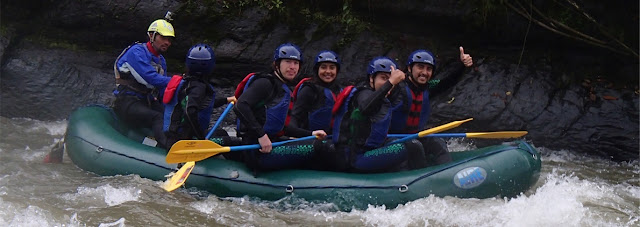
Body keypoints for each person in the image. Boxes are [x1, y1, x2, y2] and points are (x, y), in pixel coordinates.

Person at [233, 43, 327, 171]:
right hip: (257, 150)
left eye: (296, 63)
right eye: (288, 62)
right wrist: (261, 135)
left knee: (320, 142)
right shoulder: (265, 83)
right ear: (277, 64)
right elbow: (240, 106)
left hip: (272, 143)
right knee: (316, 146)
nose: (292, 67)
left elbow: (281, 128)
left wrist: (310, 133)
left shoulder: (282, 88)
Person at [331, 57, 424, 173]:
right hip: (354, 159)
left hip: (370, 151)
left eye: (390, 79)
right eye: (383, 78)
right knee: (408, 147)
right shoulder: (363, 94)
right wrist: (391, 82)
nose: (388, 83)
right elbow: (365, 107)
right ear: (371, 79)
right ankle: (422, 179)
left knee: (407, 141)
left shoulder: (383, 100)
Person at [388, 47, 473, 168]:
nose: (424, 72)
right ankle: (421, 179)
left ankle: (449, 175)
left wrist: (462, 65)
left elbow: (448, 81)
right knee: (415, 146)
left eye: (428, 69)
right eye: (420, 67)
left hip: (415, 135)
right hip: (392, 139)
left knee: (437, 141)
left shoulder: (428, 88)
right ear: (409, 68)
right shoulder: (396, 87)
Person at [112, 17, 175, 148]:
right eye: (163, 38)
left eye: (169, 40)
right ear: (151, 36)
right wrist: (178, 81)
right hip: (127, 102)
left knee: (171, 116)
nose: (167, 43)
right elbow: (150, 78)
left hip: (147, 102)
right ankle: (170, 147)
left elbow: (163, 91)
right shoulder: (136, 52)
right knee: (158, 117)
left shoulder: (161, 61)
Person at [162, 43, 236, 148]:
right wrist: (201, 138)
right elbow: (190, 111)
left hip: (174, 136)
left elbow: (201, 104)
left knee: (221, 133)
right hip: (187, 141)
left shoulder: (185, 82)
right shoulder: (198, 87)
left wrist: (226, 100)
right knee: (232, 141)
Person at [290, 50, 342, 132]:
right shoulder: (309, 90)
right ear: (317, 70)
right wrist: (307, 134)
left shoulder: (339, 91)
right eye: (323, 67)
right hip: (310, 138)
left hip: (331, 138)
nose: (328, 71)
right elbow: (294, 117)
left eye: (332, 68)